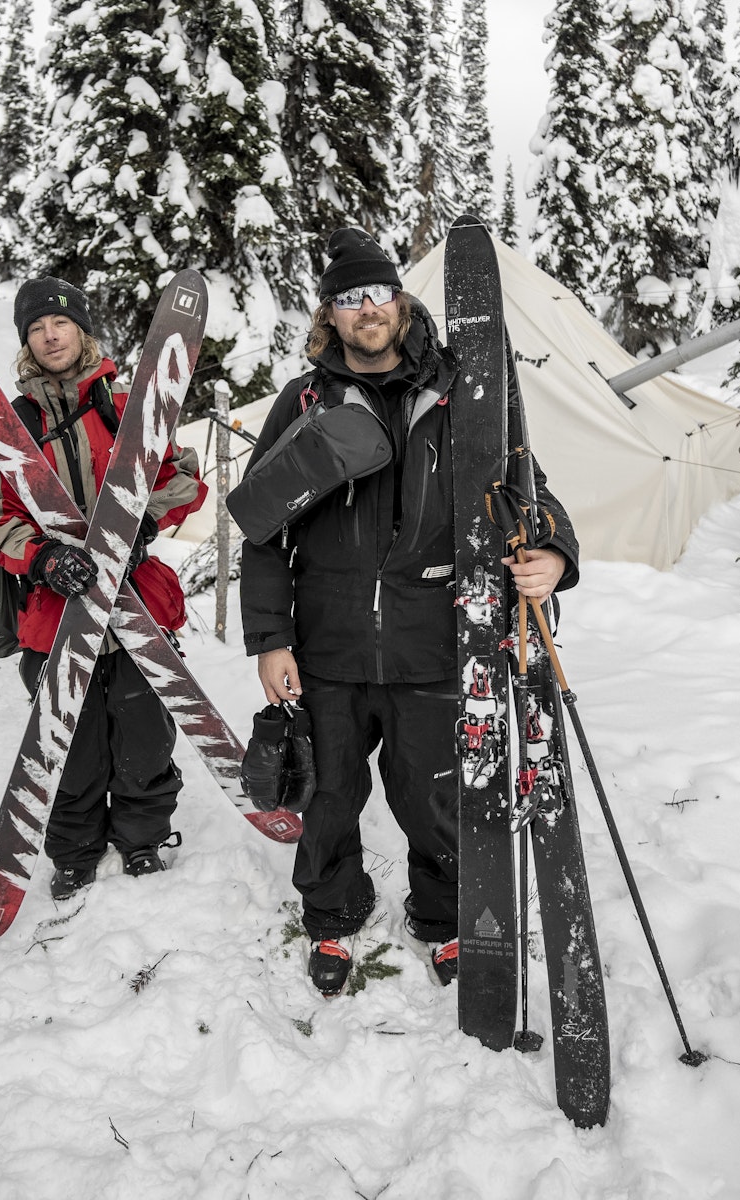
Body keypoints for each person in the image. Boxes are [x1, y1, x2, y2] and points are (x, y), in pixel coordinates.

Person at [238, 228, 579, 996]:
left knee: (433, 795)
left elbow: (530, 490)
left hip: (437, 640)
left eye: (378, 293)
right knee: (328, 796)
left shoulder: (466, 394)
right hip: (327, 642)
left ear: (401, 299)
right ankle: (332, 917)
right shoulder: (306, 400)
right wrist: (269, 637)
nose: (368, 311)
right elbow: (262, 530)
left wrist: (553, 554)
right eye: (350, 299)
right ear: (331, 314)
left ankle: (443, 916)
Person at [0, 277, 207, 901]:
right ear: (26, 340)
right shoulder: (9, 426)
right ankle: (73, 850)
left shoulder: (126, 404)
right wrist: (43, 556)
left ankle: (143, 837)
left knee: (145, 733)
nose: (50, 335)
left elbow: (185, 478)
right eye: (36, 327)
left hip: (137, 601)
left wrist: (143, 521)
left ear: (82, 330)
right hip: (54, 608)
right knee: (67, 745)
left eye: (60, 323)